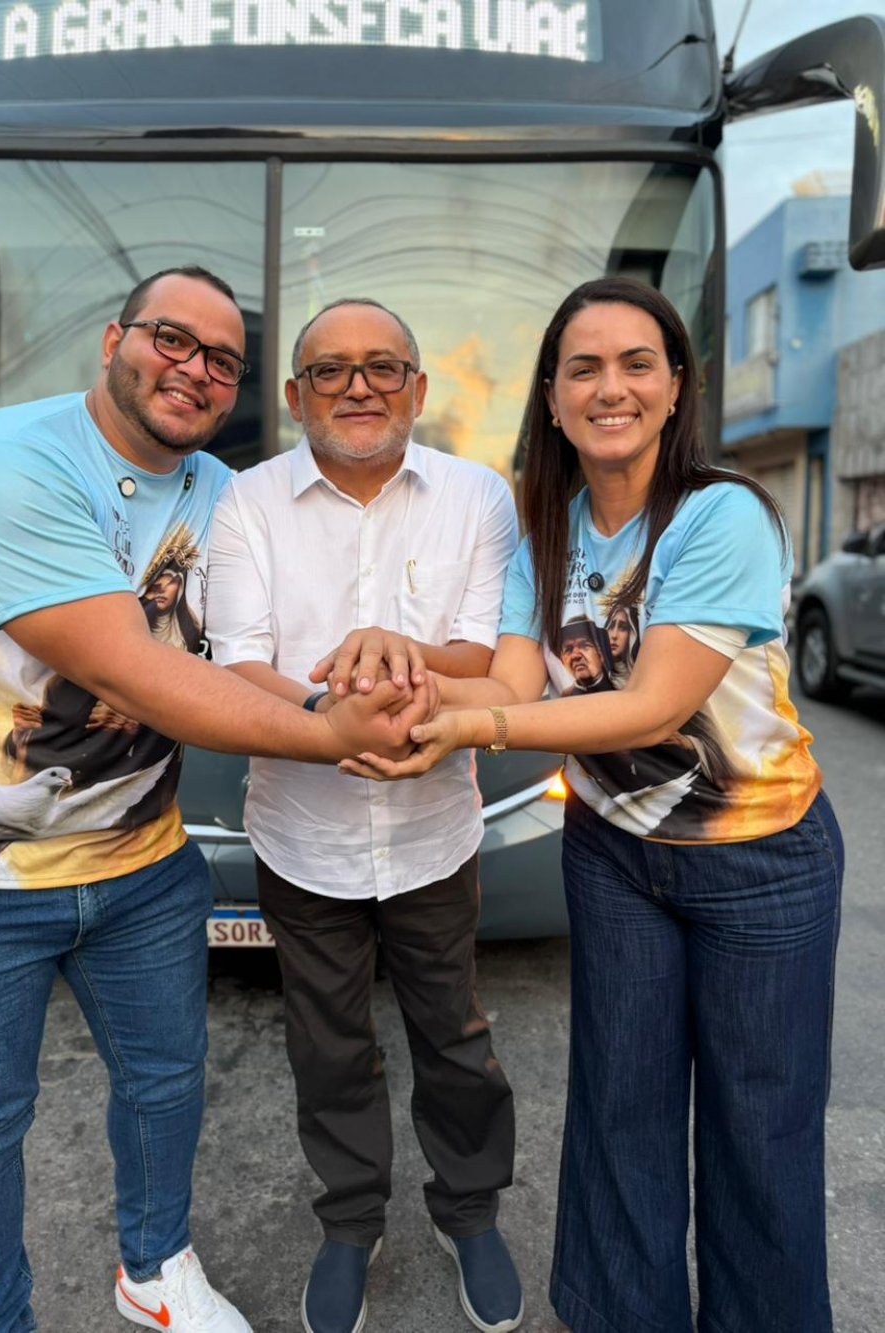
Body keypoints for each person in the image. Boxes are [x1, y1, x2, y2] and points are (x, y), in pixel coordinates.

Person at [0, 267, 426, 1333]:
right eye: (171, 339)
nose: (194, 370)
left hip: (141, 865)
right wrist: (332, 733)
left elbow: (257, 651)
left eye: (222, 360)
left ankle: (154, 1268)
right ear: (113, 340)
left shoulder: (223, 496)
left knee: (167, 1083)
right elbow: (132, 669)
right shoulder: (5, 461)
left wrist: (352, 692)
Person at [342, 277, 844, 1333]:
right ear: (553, 398)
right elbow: (512, 680)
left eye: (636, 364)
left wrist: (473, 728)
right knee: (620, 1108)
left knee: (760, 1129)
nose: (610, 387)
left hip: (758, 857)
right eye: (584, 368)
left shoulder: (721, 514)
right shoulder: (546, 529)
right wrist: (406, 686)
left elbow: (651, 703)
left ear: (676, 388)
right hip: (614, 852)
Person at [206, 297, 524, 1333]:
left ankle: (469, 1211)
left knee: (455, 1032)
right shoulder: (247, 502)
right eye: (330, 370)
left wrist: (391, 649)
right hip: (300, 834)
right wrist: (327, 716)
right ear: (294, 394)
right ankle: (350, 1222)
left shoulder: (478, 497)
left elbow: (485, 653)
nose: (357, 387)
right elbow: (236, 663)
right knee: (328, 1042)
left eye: (382, 367)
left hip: (435, 832)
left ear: (417, 389)